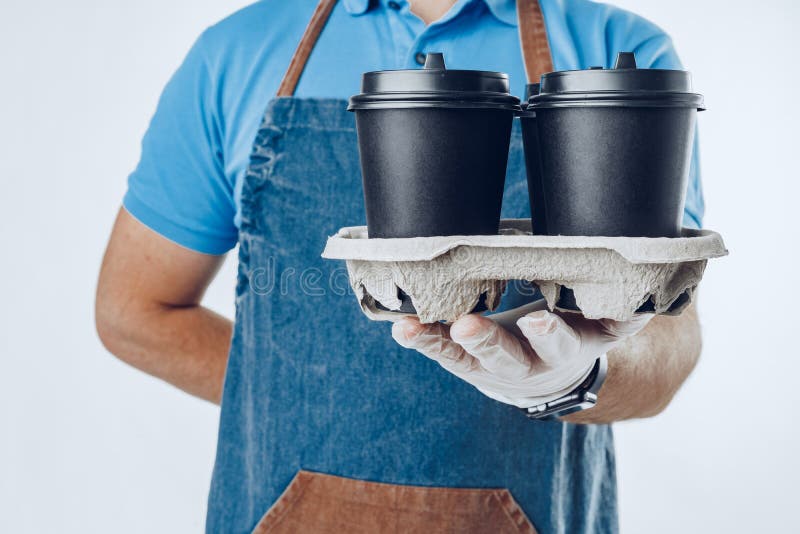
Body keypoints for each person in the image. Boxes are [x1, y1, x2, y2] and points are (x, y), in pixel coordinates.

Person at [95, 0, 705, 532]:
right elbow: (134, 311)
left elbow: (670, 337)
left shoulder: (615, 48)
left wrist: (577, 378)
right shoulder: (233, 56)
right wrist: (300, 393)